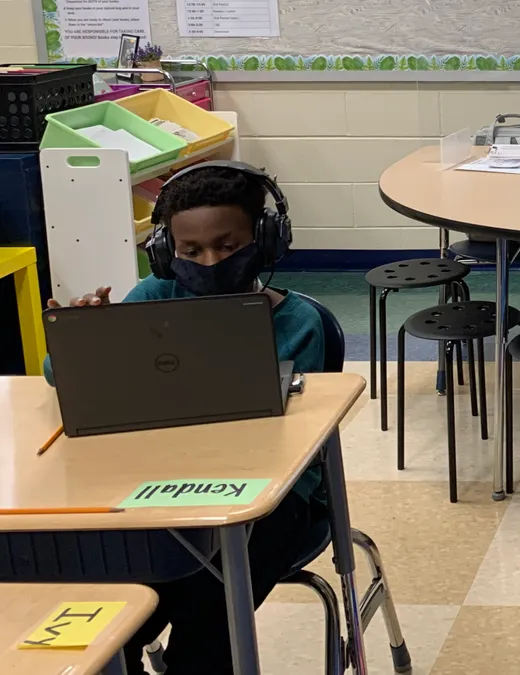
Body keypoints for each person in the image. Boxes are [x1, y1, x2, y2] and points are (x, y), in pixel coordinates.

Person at [43, 162, 327, 675]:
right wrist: (87, 340)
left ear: (265, 240)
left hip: (271, 499)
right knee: (116, 613)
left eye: (228, 245)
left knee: (207, 617)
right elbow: (58, 377)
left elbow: (297, 441)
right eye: (190, 251)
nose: (210, 261)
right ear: (164, 252)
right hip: (161, 490)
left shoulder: (297, 323)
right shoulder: (153, 299)